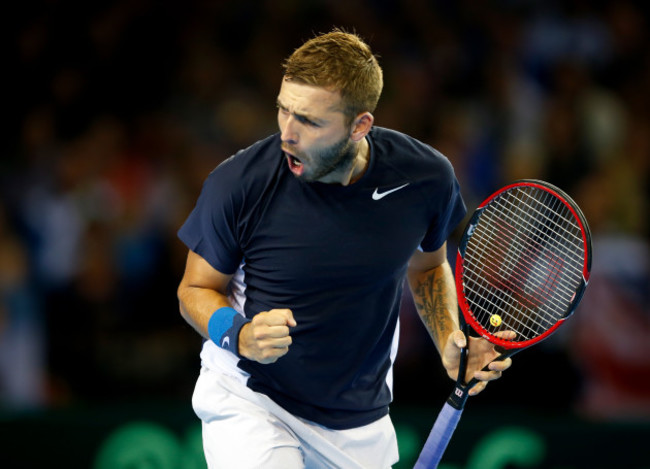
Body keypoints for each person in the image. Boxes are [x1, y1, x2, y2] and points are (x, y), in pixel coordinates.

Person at [177, 29, 512, 468]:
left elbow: (427, 266)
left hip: (358, 421)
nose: (287, 134)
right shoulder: (239, 183)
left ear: (360, 125)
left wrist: (449, 337)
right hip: (252, 397)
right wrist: (238, 335)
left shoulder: (425, 178)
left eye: (310, 121)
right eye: (284, 110)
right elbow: (194, 290)